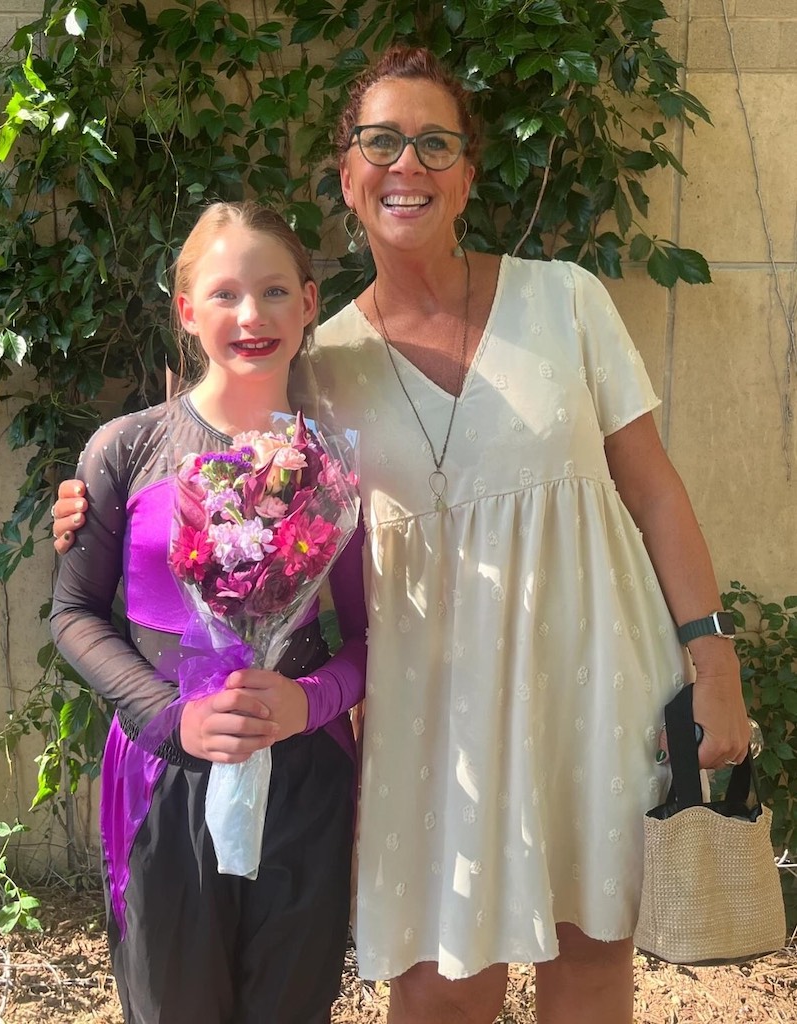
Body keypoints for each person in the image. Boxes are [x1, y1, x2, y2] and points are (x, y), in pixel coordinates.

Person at [53, 46, 750, 1024]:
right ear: (347, 174)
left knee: (593, 952)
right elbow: (210, 453)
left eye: (435, 142)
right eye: (381, 141)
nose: (406, 163)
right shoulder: (319, 362)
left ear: (469, 173)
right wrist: (94, 498)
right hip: (432, 710)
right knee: (439, 978)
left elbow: (658, 493)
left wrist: (710, 657)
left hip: (591, 678)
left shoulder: (568, 301)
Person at [50, 201, 367, 1024]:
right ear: (187, 312)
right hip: (164, 772)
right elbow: (75, 614)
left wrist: (310, 700)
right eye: (224, 294)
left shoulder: (336, 464)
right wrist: (168, 716)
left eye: (271, 292)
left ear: (308, 302)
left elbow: (375, 638)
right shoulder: (126, 449)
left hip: (302, 768)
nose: (250, 315)